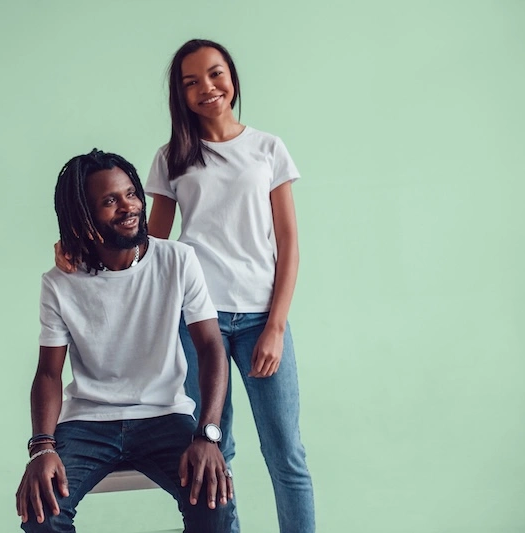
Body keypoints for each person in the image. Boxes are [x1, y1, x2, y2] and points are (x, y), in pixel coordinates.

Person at [55, 39, 315, 533]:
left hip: (262, 317)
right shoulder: (172, 157)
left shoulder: (267, 149)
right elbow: (146, 242)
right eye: (191, 82)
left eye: (215, 74)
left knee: (286, 452)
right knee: (215, 447)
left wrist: (277, 325)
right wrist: (75, 246)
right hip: (198, 322)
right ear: (180, 95)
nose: (207, 88)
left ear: (232, 77)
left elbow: (289, 245)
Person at [16, 148, 235, 533]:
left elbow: (211, 347)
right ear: (83, 215)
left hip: (165, 415)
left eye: (132, 193)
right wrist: (42, 447)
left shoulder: (178, 260)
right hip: (88, 421)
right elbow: (49, 374)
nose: (129, 206)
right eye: (109, 201)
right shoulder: (58, 282)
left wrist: (208, 434)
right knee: (42, 514)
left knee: (215, 506)